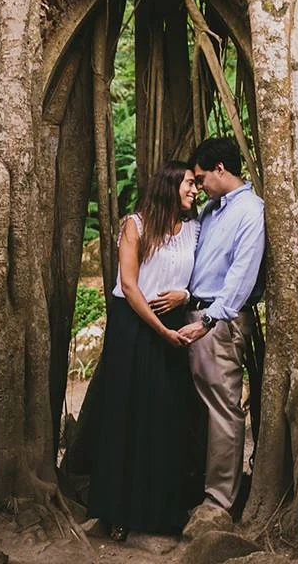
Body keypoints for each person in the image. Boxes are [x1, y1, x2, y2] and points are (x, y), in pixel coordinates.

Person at [84, 160, 206, 539]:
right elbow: (129, 284)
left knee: (166, 415)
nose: (195, 190)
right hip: (134, 326)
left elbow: (202, 278)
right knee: (127, 413)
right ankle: (118, 512)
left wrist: (185, 295)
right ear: (170, 185)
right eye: (189, 183)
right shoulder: (134, 226)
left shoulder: (194, 230)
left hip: (174, 324)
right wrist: (161, 331)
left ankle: (162, 511)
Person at [178, 136, 266, 520]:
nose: (198, 187)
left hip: (219, 322)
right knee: (196, 408)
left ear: (220, 169)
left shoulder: (250, 211)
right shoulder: (212, 210)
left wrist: (210, 320)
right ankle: (192, 487)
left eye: (201, 179)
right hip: (192, 315)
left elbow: (241, 276)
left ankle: (218, 503)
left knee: (223, 410)